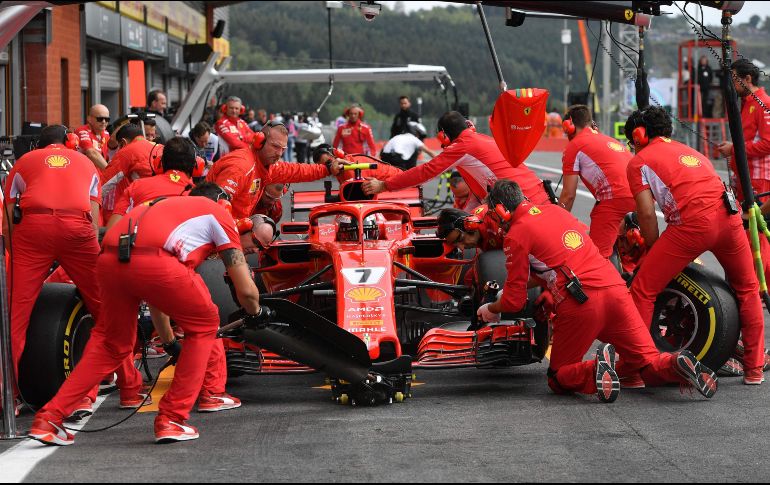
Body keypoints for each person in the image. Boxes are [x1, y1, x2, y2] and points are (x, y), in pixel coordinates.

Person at [28, 182, 265, 446]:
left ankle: (49, 418)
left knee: (110, 343)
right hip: (156, 261)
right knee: (206, 324)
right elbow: (247, 292)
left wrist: (169, 341)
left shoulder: (162, 206)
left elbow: (156, 295)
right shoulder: (220, 215)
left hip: (110, 258)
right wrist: (256, 311)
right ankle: (172, 418)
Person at [477, 180, 718, 402]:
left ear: (500, 209)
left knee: (558, 377)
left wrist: (491, 308)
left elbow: (515, 301)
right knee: (646, 364)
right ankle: (676, 362)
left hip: (580, 301)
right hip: (615, 290)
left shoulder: (516, 235)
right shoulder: (557, 211)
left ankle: (595, 369)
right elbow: (559, 260)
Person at [3, 125, 142, 415]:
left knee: (14, 319)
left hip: (33, 230)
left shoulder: (23, 163)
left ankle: (8, 397)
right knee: (107, 311)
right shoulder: (86, 162)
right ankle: (129, 389)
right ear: (70, 142)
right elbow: (92, 217)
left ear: (37, 147)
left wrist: (21, 250)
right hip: (78, 231)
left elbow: (8, 216)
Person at [625, 106, 765, 385]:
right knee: (748, 289)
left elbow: (646, 214)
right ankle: (754, 369)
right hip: (730, 218)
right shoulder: (693, 152)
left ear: (639, 135)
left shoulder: (638, 162)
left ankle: (634, 370)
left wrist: (652, 251)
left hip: (692, 225)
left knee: (642, 289)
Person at [107, 138, 241, 412]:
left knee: (115, 331)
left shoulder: (136, 187)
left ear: (157, 162)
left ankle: (129, 392)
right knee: (206, 320)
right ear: (197, 166)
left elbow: (112, 227)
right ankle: (212, 392)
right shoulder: (197, 193)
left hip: (122, 261)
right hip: (171, 266)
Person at [362, 111, 550, 212]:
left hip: (523, 205)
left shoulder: (463, 146)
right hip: (537, 198)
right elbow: (478, 187)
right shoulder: (481, 139)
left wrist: (384, 185)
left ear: (443, 136)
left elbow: (425, 172)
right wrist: (463, 217)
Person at [207, 121, 344, 220]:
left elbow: (298, 170)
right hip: (219, 238)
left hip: (234, 228)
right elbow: (215, 208)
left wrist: (327, 168)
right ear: (259, 141)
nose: (279, 153)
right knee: (263, 231)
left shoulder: (269, 165)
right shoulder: (241, 167)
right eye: (275, 146)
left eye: (282, 149)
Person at [560, 105, 636, 258]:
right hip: (642, 197)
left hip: (614, 199)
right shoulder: (608, 139)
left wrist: (556, 223)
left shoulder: (574, 146)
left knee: (595, 258)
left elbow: (568, 195)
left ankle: (605, 276)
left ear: (569, 126)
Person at [100, 123, 162, 222]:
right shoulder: (161, 147)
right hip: (168, 201)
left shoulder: (126, 152)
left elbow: (104, 185)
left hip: (143, 205)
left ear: (123, 143)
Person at [312, 144, 402, 185]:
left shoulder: (349, 169)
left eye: (329, 162)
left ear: (337, 154)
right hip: (387, 186)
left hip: (398, 183)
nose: (330, 168)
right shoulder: (341, 168)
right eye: (326, 166)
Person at [75, 104, 111, 170]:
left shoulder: (106, 133)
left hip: (100, 176)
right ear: (89, 119)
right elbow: (92, 153)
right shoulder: (82, 131)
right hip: (86, 175)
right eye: (100, 119)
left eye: (107, 119)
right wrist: (110, 171)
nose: (104, 122)